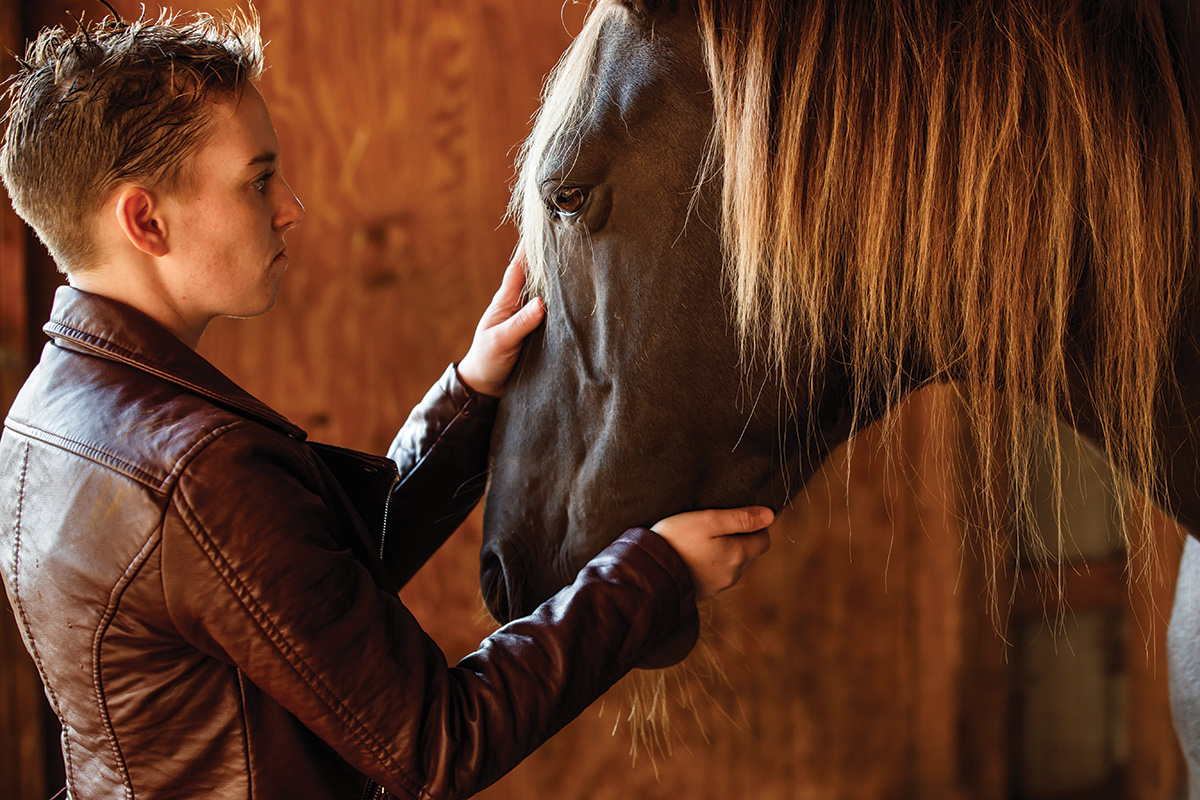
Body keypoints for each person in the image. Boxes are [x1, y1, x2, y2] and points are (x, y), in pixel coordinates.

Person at [0, 9, 773, 800]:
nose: (289, 206)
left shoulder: (50, 414)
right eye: (258, 179)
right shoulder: (194, 470)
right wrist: (654, 575)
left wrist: (469, 394)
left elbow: (302, 600)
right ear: (146, 220)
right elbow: (435, 744)